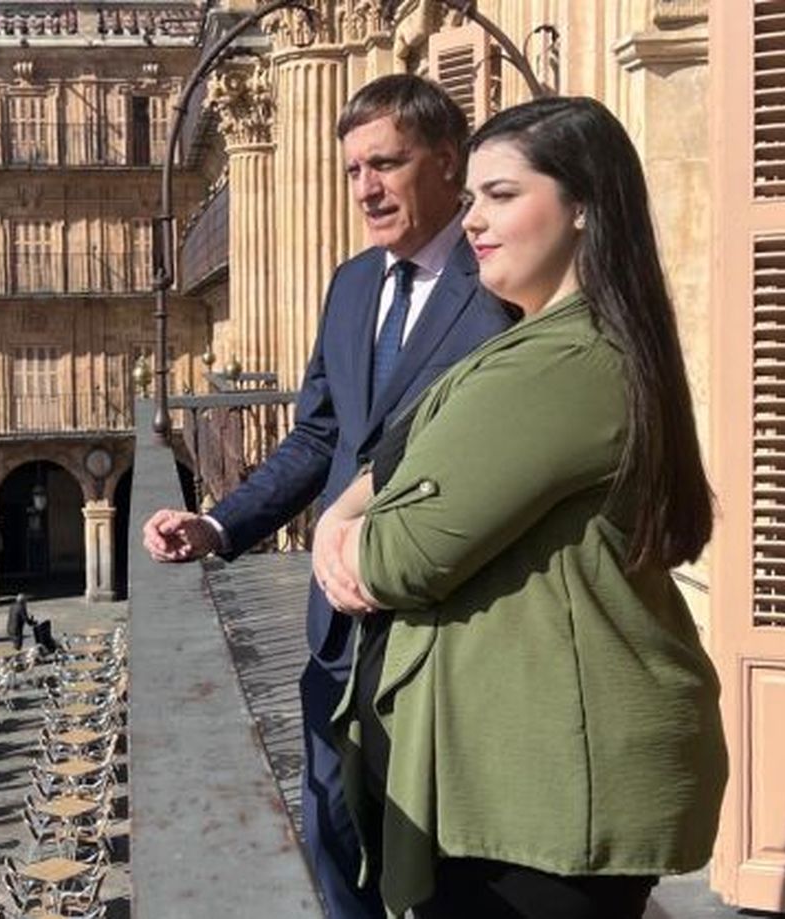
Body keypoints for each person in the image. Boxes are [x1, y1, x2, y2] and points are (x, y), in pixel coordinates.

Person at [312, 97, 728, 919]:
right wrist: (336, 520)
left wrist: (351, 538)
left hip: (543, 792)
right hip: (522, 777)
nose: (473, 221)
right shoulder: (543, 343)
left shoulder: (563, 364)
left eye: (501, 195)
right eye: (471, 199)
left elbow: (405, 554)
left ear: (582, 206)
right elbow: (391, 455)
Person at [142, 74, 513, 919]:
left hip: (444, 626)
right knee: (334, 836)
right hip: (336, 630)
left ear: (448, 161)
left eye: (385, 164)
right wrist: (217, 520)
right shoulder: (353, 285)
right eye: (352, 170)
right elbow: (320, 436)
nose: (365, 189)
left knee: (444, 861)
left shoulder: (499, 280)